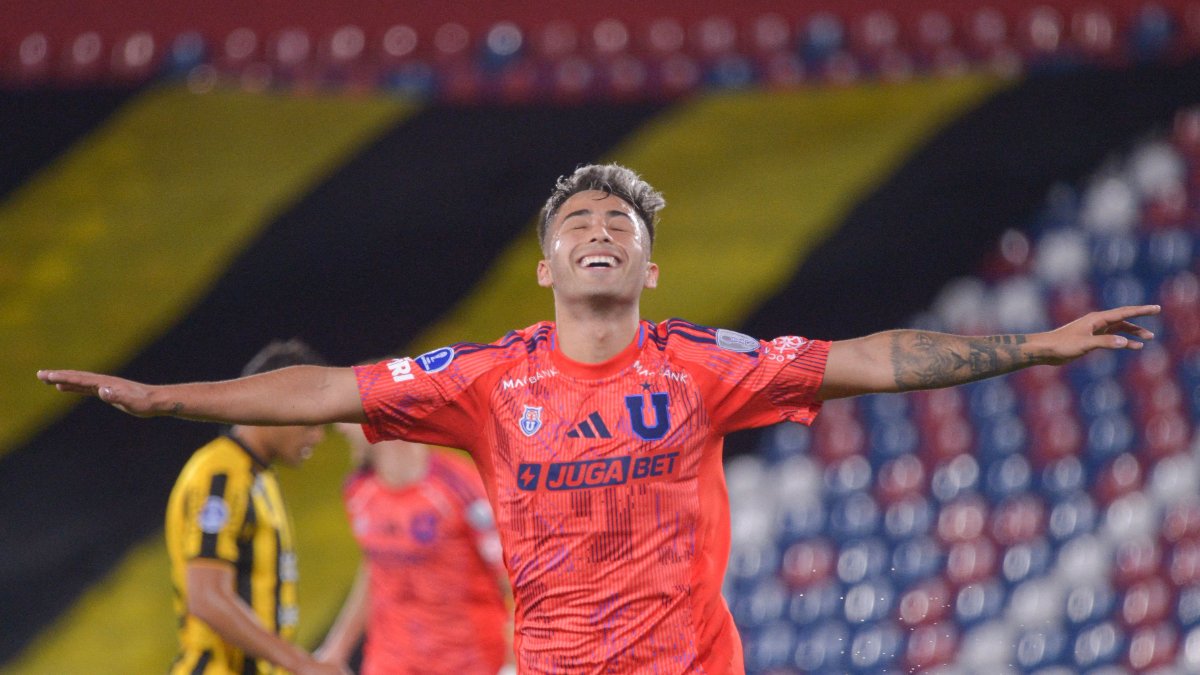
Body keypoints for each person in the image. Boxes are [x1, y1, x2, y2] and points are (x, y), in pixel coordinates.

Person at [40, 164, 1160, 674]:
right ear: (543, 265)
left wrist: (1039, 344)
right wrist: (168, 396)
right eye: (578, 216)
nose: (599, 228)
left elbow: (873, 360)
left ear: (648, 263)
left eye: (619, 221)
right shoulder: (482, 381)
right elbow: (328, 388)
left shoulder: (704, 366)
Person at [162, 339, 348, 675]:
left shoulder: (257, 477)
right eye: (312, 418)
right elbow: (206, 597)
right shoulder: (220, 475)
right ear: (272, 403)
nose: (318, 435)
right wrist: (300, 664)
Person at [314, 423, 512, 674]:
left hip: (468, 662)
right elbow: (375, 569)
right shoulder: (358, 488)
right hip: (388, 662)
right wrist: (336, 649)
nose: (340, 428)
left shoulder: (462, 487)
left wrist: (514, 662)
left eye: (347, 416)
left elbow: (512, 581)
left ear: (380, 416)